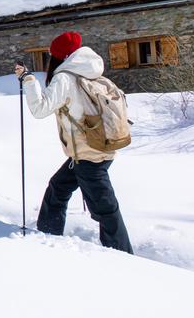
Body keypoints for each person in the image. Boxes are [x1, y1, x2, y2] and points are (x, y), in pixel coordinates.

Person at [15, 31, 133, 254]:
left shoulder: (65, 77)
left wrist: (29, 80)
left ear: (59, 56)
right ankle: (47, 236)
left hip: (88, 155)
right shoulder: (91, 71)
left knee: (105, 209)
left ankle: (123, 256)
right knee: (58, 188)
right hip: (96, 149)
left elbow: (40, 109)